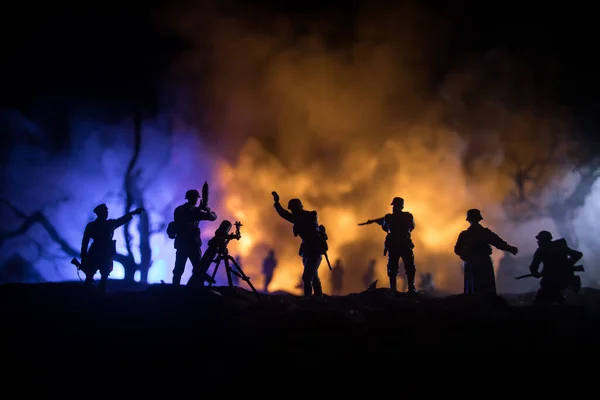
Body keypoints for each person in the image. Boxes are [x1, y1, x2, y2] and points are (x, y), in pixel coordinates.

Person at [272, 191, 326, 297]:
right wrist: (277, 203)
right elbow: (285, 214)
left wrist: (278, 205)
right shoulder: (298, 217)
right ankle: (318, 298)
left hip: (314, 250)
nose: (292, 211)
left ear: (298, 208)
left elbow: (288, 216)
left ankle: (309, 300)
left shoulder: (310, 215)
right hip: (307, 251)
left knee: (307, 277)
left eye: (293, 209)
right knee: (313, 276)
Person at [80, 203, 143, 294]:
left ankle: (100, 295)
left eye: (106, 211)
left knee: (104, 275)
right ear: (99, 213)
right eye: (104, 211)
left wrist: (132, 213)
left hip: (106, 253)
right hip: (95, 253)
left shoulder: (110, 224)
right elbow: (85, 240)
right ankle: (87, 295)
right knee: (90, 274)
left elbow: (122, 220)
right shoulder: (92, 226)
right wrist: (83, 254)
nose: (106, 213)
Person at [454, 209, 518, 295]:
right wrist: (510, 249)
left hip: (473, 264)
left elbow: (458, 250)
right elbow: (498, 243)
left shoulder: (465, 234)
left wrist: (467, 256)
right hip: (483, 262)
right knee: (486, 289)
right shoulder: (484, 232)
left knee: (473, 288)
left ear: (468, 220)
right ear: (479, 219)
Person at [367, 197, 418, 293]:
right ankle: (410, 288)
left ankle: (395, 288)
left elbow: (385, 227)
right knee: (406, 266)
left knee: (394, 268)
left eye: (394, 205)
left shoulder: (389, 217)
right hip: (403, 244)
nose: (393, 207)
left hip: (395, 244)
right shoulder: (407, 216)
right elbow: (412, 226)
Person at [171, 189, 217, 286]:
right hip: (184, 244)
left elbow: (213, 217)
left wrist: (207, 210)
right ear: (191, 198)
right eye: (195, 198)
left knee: (199, 270)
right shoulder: (181, 210)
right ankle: (174, 290)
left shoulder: (194, 211)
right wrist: (199, 209)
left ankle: (198, 290)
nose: (196, 200)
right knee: (179, 270)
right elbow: (187, 218)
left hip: (193, 245)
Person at [529, 230, 583, 306]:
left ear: (544, 240)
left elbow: (533, 267)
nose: (538, 242)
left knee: (540, 303)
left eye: (540, 240)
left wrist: (536, 273)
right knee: (558, 297)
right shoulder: (560, 247)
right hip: (563, 281)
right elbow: (578, 255)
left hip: (551, 283)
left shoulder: (541, 251)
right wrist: (568, 264)